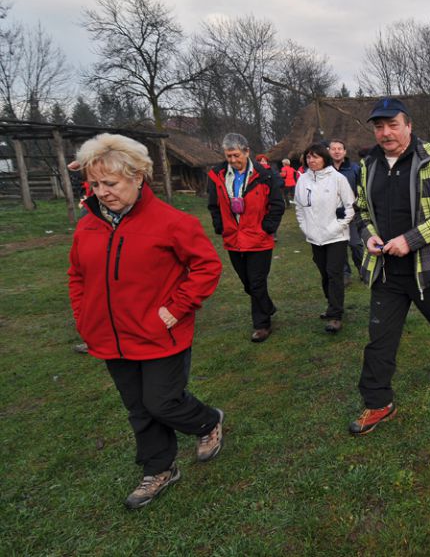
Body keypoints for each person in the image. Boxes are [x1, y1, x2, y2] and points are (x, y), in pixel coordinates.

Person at [68, 134, 224, 509]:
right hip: (109, 338)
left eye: (112, 183)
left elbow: (206, 266)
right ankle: (160, 468)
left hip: (159, 335)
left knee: (161, 403)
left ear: (138, 177)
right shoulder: (88, 225)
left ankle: (207, 421)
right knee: (138, 408)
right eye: (96, 184)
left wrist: (175, 309)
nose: (103, 192)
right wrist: (84, 317)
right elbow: (77, 275)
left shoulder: (172, 222)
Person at [350, 98, 430, 435]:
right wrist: (368, 235)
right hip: (386, 272)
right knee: (379, 339)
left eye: (392, 125)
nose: (385, 132)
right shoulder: (369, 165)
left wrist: (411, 239)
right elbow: (360, 209)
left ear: (408, 125)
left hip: (429, 269)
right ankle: (378, 402)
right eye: (379, 126)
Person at [207, 133, 285, 342]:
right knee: (247, 283)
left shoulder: (265, 175)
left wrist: (267, 228)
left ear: (246, 151)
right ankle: (267, 307)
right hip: (233, 238)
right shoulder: (217, 175)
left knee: (257, 282)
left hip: (258, 239)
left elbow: (277, 204)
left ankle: (262, 325)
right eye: (228, 156)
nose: (232, 160)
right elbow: (214, 205)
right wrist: (220, 226)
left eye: (235, 155)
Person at [295, 143, 356, 334]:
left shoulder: (337, 179)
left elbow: (350, 207)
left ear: (324, 158)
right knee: (324, 274)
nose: (311, 160)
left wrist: (338, 227)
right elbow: (299, 207)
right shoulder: (302, 180)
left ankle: (336, 316)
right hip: (314, 237)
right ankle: (331, 306)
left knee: (334, 273)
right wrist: (305, 228)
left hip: (336, 236)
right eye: (308, 157)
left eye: (316, 157)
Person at [329, 139, 364, 279]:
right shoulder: (325, 170)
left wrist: (357, 206)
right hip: (332, 216)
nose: (337, 151)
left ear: (344, 152)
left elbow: (362, 190)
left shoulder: (355, 169)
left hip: (352, 214)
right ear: (328, 151)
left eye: (339, 149)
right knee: (339, 247)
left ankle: (363, 271)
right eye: (333, 149)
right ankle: (345, 274)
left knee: (356, 245)